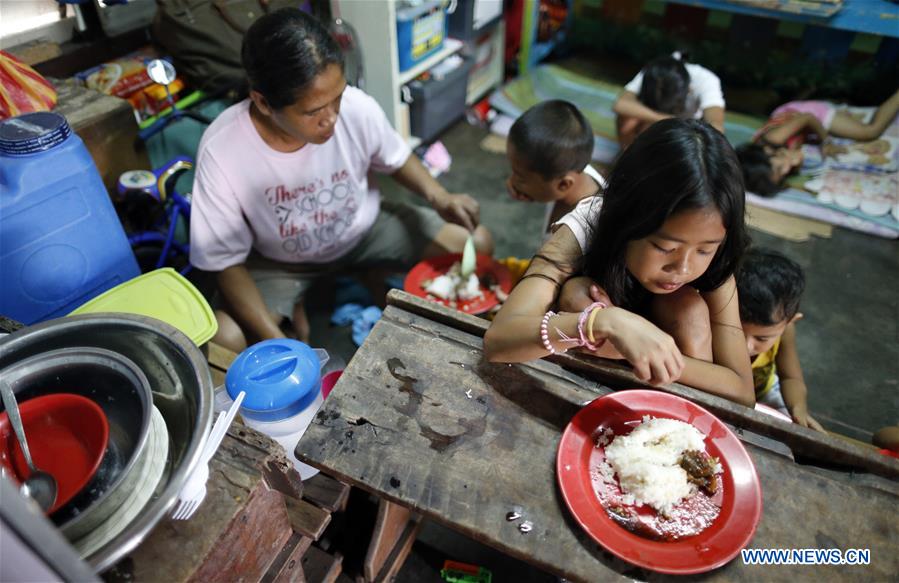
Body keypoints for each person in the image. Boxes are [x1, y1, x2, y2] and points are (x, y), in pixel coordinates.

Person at [189, 8, 492, 351]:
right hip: (283, 263)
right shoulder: (224, 148)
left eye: (338, 98)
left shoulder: (355, 109)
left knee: (475, 242)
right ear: (262, 102)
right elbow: (223, 261)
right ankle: (329, 293)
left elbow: (393, 156)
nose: (331, 118)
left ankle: (366, 272)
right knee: (225, 339)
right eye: (313, 111)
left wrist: (439, 196)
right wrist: (277, 343)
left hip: (364, 231)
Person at [484, 119, 755, 407]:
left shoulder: (715, 249)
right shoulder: (590, 224)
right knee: (578, 294)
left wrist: (635, 351)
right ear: (625, 219)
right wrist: (603, 322)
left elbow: (741, 390)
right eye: (665, 247)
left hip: (662, 391)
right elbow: (499, 340)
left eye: (705, 250)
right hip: (578, 378)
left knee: (688, 309)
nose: (683, 268)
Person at [737, 89, 899, 196]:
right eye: (782, 175)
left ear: (767, 152)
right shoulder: (771, 161)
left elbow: (808, 117)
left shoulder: (774, 138)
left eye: (780, 167)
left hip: (807, 114)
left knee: (869, 132)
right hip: (797, 127)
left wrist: (826, 142)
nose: (787, 169)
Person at [736, 248, 824, 432]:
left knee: (792, 432)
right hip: (725, 391)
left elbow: (791, 377)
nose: (746, 346)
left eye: (761, 338)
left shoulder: (786, 332)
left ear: (790, 322)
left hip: (763, 392)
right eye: (735, 332)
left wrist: (798, 409)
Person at [505, 100, 606, 237]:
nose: (513, 181)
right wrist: (522, 184)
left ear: (563, 184)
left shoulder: (583, 234)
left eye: (520, 177)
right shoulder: (571, 167)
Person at [612, 53, 725, 149]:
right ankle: (629, 157)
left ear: (689, 91)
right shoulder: (656, 71)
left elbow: (716, 126)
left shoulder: (706, 81)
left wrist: (683, 127)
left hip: (688, 131)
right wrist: (668, 120)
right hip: (662, 123)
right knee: (628, 119)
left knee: (707, 137)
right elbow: (621, 105)